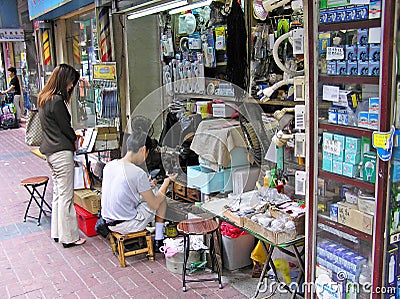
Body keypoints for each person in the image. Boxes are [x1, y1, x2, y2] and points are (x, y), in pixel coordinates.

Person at [101, 130, 177, 251]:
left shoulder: (110, 165)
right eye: (147, 153)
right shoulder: (137, 173)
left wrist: (148, 185)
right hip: (126, 225)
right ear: (143, 149)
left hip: (108, 221)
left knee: (152, 195)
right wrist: (167, 181)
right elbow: (155, 203)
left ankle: (157, 237)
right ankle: (158, 239)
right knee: (161, 200)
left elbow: (125, 190)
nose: (146, 157)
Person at [38, 64, 86, 248]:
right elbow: (65, 127)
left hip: (50, 152)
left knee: (58, 194)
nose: (70, 87)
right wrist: (75, 137)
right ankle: (70, 237)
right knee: (66, 195)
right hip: (61, 152)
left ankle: (58, 232)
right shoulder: (57, 101)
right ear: (65, 81)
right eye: (71, 83)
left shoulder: (44, 98)